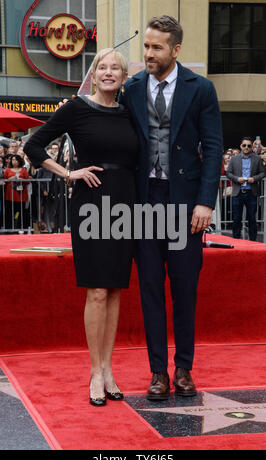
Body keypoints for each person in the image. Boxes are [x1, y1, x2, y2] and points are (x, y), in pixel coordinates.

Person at [24, 49, 139, 407]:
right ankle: (94, 372)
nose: (108, 73)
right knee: (97, 291)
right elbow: (33, 145)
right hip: (91, 205)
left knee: (116, 290)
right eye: (102, 67)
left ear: (123, 76)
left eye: (115, 68)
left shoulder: (130, 111)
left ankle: (108, 370)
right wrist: (68, 173)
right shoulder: (76, 108)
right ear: (93, 74)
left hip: (126, 204)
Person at [120, 15, 223, 400]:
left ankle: (183, 368)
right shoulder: (131, 88)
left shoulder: (201, 90)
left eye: (156, 47)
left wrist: (205, 202)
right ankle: (158, 372)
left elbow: (213, 147)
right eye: (146, 46)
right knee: (149, 288)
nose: (148, 53)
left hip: (185, 204)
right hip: (144, 203)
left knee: (184, 288)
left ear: (175, 50)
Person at [227, 137, 265, 241]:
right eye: (244, 145)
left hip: (251, 192)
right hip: (237, 193)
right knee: (236, 219)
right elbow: (228, 173)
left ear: (252, 147)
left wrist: (254, 179)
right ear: (241, 146)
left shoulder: (257, 159)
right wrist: (237, 179)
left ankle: (253, 242)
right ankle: (236, 241)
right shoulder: (234, 159)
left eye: (249, 145)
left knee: (252, 219)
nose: (246, 147)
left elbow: (263, 173)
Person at [3, 155, 30, 231]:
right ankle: (9, 228)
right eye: (13, 160)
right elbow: (3, 181)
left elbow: (28, 181)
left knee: (21, 212)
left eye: (16, 160)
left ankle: (21, 228)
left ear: (19, 161)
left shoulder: (23, 170)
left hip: (21, 195)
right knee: (9, 212)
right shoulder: (7, 170)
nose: (14, 161)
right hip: (10, 195)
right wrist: (9, 179)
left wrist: (22, 179)